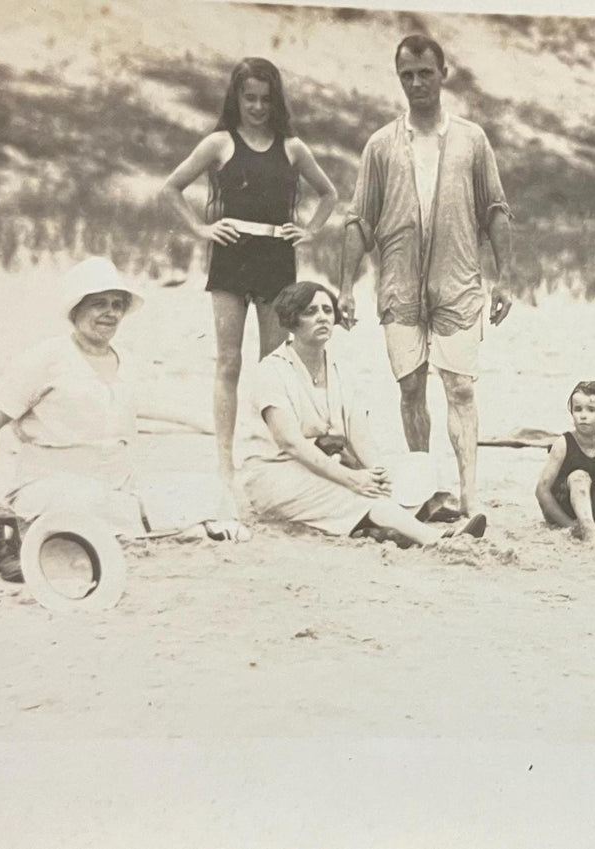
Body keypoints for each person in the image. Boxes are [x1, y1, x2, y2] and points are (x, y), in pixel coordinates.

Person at [0, 257, 233, 583]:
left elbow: (151, 409)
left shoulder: (127, 361)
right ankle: (156, 527)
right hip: (51, 483)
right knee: (84, 501)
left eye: (117, 305)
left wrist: (210, 425)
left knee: (209, 488)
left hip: (120, 484)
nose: (110, 313)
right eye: (98, 304)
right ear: (75, 310)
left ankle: (127, 525)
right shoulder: (46, 358)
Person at [338, 34, 513, 517]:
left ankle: (470, 497)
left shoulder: (472, 140)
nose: (416, 83)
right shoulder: (380, 145)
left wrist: (505, 278)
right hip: (398, 282)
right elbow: (359, 220)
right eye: (407, 75)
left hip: (457, 280)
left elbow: (496, 209)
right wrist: (344, 287)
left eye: (425, 73)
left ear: (443, 74)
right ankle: (428, 492)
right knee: (411, 388)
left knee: (460, 387)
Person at [160, 57, 339, 507]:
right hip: (232, 257)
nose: (257, 107)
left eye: (265, 99)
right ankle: (224, 462)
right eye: (249, 98)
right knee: (229, 362)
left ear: (275, 100)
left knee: (274, 363)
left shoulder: (292, 147)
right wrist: (201, 229)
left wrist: (311, 230)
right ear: (236, 98)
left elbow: (329, 193)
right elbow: (171, 188)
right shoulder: (219, 143)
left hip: (277, 258)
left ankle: (275, 453)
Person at [238, 281, 487, 546]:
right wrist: (354, 479)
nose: (322, 317)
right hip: (277, 475)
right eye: (310, 311)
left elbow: (360, 437)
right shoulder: (272, 371)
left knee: (418, 467)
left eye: (327, 310)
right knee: (361, 496)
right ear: (291, 321)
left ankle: (384, 525)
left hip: (328, 468)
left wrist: (377, 475)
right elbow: (291, 443)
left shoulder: (341, 370)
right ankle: (436, 539)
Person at [535, 380, 595, 542]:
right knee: (578, 476)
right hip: (566, 509)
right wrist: (568, 524)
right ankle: (588, 529)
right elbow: (542, 490)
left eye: (592, 410)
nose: (583, 415)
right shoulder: (563, 444)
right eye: (577, 409)